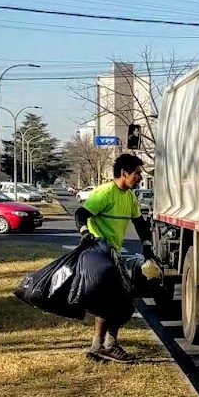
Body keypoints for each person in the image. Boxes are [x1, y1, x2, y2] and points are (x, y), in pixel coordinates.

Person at [74, 153, 155, 363]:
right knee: (118, 300)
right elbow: (81, 215)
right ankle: (108, 345)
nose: (139, 177)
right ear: (124, 173)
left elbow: (140, 225)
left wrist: (148, 249)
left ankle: (98, 346)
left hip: (113, 254)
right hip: (97, 254)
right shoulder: (105, 193)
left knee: (114, 301)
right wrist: (85, 233)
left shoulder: (129, 197)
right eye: (137, 173)